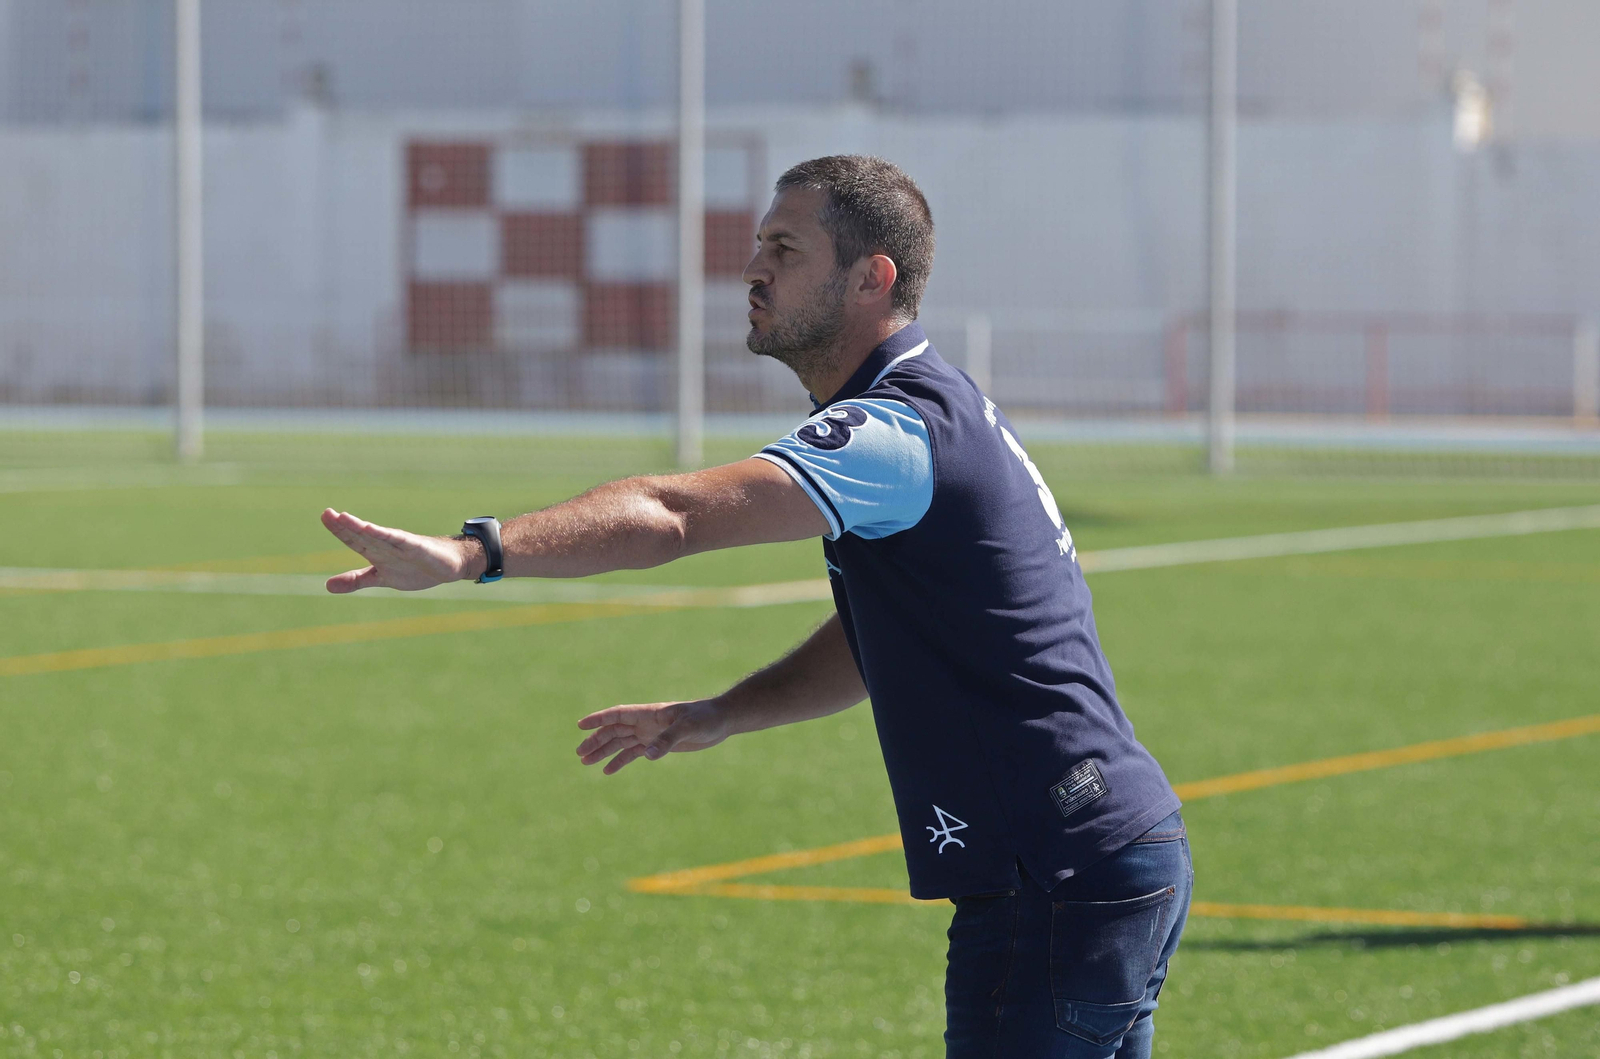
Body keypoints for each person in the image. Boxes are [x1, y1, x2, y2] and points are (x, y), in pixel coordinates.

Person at [320, 154, 1192, 1058]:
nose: (753, 269)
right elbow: (876, 642)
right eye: (758, 245)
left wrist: (473, 553)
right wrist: (722, 713)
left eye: (785, 247)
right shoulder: (930, 410)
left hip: (1052, 873)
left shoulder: (892, 429)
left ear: (871, 278)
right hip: (1100, 853)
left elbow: (674, 512)